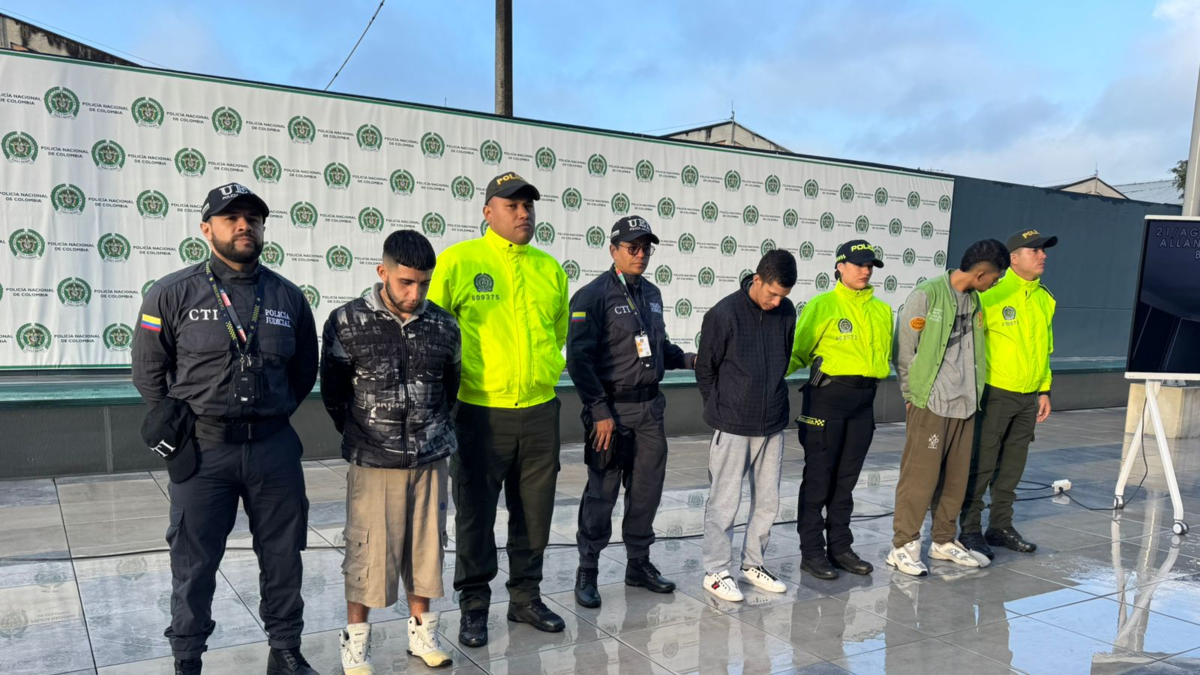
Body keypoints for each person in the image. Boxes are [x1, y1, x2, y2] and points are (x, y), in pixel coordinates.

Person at [132, 183, 320, 675]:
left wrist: (271, 412)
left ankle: (285, 650)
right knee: (193, 563)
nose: (243, 226)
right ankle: (187, 658)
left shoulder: (288, 297)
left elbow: (304, 371)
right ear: (206, 228)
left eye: (252, 218)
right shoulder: (170, 293)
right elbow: (149, 373)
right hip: (203, 452)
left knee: (283, 556)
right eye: (231, 217)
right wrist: (183, 428)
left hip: (273, 450)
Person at [427, 172, 569, 647]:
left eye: (528, 205)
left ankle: (526, 597)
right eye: (512, 205)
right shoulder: (459, 261)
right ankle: (474, 606)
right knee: (475, 515)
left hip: (540, 409)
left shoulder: (550, 269)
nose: (523, 213)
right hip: (479, 412)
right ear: (488, 212)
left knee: (534, 513)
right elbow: (435, 332)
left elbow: (558, 332)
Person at [320, 231, 461, 673]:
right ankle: (356, 645)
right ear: (383, 272)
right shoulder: (347, 321)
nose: (415, 294)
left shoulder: (444, 325)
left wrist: (429, 432)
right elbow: (334, 394)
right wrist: (368, 435)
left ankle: (422, 636)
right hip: (372, 459)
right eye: (406, 282)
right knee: (366, 554)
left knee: (427, 550)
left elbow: (450, 388)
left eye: (424, 283)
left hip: (430, 457)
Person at [566, 215, 696, 608]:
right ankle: (588, 569)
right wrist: (598, 410)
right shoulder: (592, 296)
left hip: (649, 411)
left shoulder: (652, 294)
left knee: (646, 492)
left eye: (646, 248)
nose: (641, 254)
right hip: (611, 412)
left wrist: (688, 359)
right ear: (613, 250)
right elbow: (578, 360)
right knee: (602, 493)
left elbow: (658, 347)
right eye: (632, 247)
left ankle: (638, 564)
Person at [888, 239, 1010, 577]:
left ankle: (943, 540)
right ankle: (903, 545)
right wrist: (912, 396)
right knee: (920, 478)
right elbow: (904, 352)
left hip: (965, 403)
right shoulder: (927, 295)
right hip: (932, 403)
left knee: (956, 479)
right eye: (996, 277)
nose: (996, 283)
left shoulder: (974, 300)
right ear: (981, 274)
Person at [695, 250, 798, 602]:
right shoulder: (723, 313)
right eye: (772, 293)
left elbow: (783, 358)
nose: (776, 301)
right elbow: (705, 369)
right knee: (724, 501)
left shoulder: (786, 311)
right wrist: (722, 406)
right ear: (757, 279)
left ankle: (753, 564)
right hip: (733, 423)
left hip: (773, 420)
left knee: (768, 500)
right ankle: (715, 571)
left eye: (783, 296)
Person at [788, 240, 894, 580]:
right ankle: (811, 552)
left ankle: (840, 547)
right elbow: (796, 352)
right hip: (827, 399)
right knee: (819, 479)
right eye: (859, 264)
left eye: (870, 265)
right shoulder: (823, 305)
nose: (866, 271)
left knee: (846, 481)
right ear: (840, 266)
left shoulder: (882, 310)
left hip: (864, 402)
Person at [959, 229, 1057, 560]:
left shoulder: (1045, 298)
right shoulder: (990, 294)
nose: (1042, 255)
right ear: (1013, 258)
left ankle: (1000, 526)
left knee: (1012, 469)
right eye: (1034, 250)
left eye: (1043, 250)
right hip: (995, 393)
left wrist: (1044, 389)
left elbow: (1045, 349)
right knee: (982, 465)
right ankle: (970, 529)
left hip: (1028, 397)